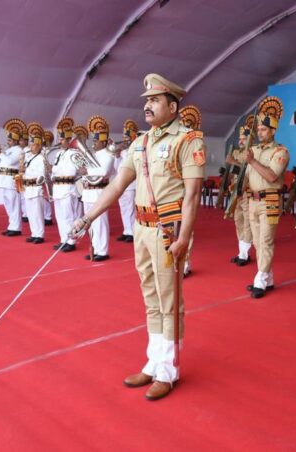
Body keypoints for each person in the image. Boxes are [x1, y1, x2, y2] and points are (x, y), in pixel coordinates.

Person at [73, 73, 205, 400]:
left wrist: (184, 238)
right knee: (150, 298)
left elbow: (192, 195)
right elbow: (117, 186)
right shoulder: (141, 142)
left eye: (155, 100)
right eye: (146, 100)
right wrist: (89, 217)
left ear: (172, 106)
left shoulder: (188, 141)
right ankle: (153, 361)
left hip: (166, 230)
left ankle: (168, 370)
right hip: (142, 230)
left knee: (169, 299)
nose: (147, 105)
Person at [244, 97, 289, 299]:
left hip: (270, 200)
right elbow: (247, 176)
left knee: (266, 240)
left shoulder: (281, 151)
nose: (259, 132)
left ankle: (260, 279)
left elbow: (272, 176)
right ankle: (268, 277)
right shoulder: (252, 150)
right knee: (256, 241)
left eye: (263, 129)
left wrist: (252, 162)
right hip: (252, 200)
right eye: (259, 129)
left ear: (272, 131)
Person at [80, 116, 117, 262]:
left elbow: (104, 171)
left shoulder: (108, 154)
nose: (93, 143)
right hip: (88, 192)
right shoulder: (93, 155)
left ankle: (102, 251)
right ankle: (94, 248)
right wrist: (84, 177)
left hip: (99, 192)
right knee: (89, 223)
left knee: (100, 222)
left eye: (96, 141)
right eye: (93, 141)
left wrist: (86, 172)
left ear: (103, 142)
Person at [50, 117, 82, 252]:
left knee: (69, 216)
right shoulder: (58, 154)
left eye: (62, 139)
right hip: (58, 188)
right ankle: (64, 239)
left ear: (69, 140)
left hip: (68, 188)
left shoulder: (75, 153)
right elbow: (54, 171)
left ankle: (71, 241)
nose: (59, 141)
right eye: (59, 138)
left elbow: (73, 171)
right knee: (60, 217)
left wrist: (56, 172)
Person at [227, 116, 255, 266]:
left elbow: (247, 170)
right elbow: (234, 172)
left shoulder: (252, 153)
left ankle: (245, 254)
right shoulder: (238, 152)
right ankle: (241, 251)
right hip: (235, 191)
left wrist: (234, 163)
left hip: (246, 191)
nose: (241, 140)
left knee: (247, 222)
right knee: (238, 220)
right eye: (240, 138)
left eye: (244, 138)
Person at [178, 106, 203, 276]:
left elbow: (198, 167)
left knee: (186, 228)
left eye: (188, 125)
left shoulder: (197, 144)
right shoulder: (177, 143)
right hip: (174, 191)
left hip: (188, 190)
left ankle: (185, 261)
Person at [0, 119, 26, 236]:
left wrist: (0, 153)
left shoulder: (19, 151)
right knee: (7, 204)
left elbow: (11, 161)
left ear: (15, 141)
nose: (8, 142)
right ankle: (11, 225)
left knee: (14, 204)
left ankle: (16, 228)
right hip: (3, 180)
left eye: (10, 140)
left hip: (13, 180)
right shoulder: (8, 150)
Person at [21, 122, 50, 244]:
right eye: (31, 144)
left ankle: (40, 235)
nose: (31, 147)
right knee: (31, 213)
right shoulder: (28, 157)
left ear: (39, 146)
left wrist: (26, 170)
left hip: (36, 187)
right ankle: (34, 233)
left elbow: (41, 174)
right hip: (28, 188)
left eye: (33, 145)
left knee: (38, 213)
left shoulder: (41, 158)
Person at [115, 120, 139, 244]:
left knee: (130, 209)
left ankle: (132, 232)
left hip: (131, 184)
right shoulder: (123, 151)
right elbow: (117, 168)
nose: (125, 140)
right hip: (122, 184)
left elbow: (133, 164)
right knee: (123, 208)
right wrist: (117, 156)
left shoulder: (135, 149)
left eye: (127, 138)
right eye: (124, 138)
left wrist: (124, 153)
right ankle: (126, 230)